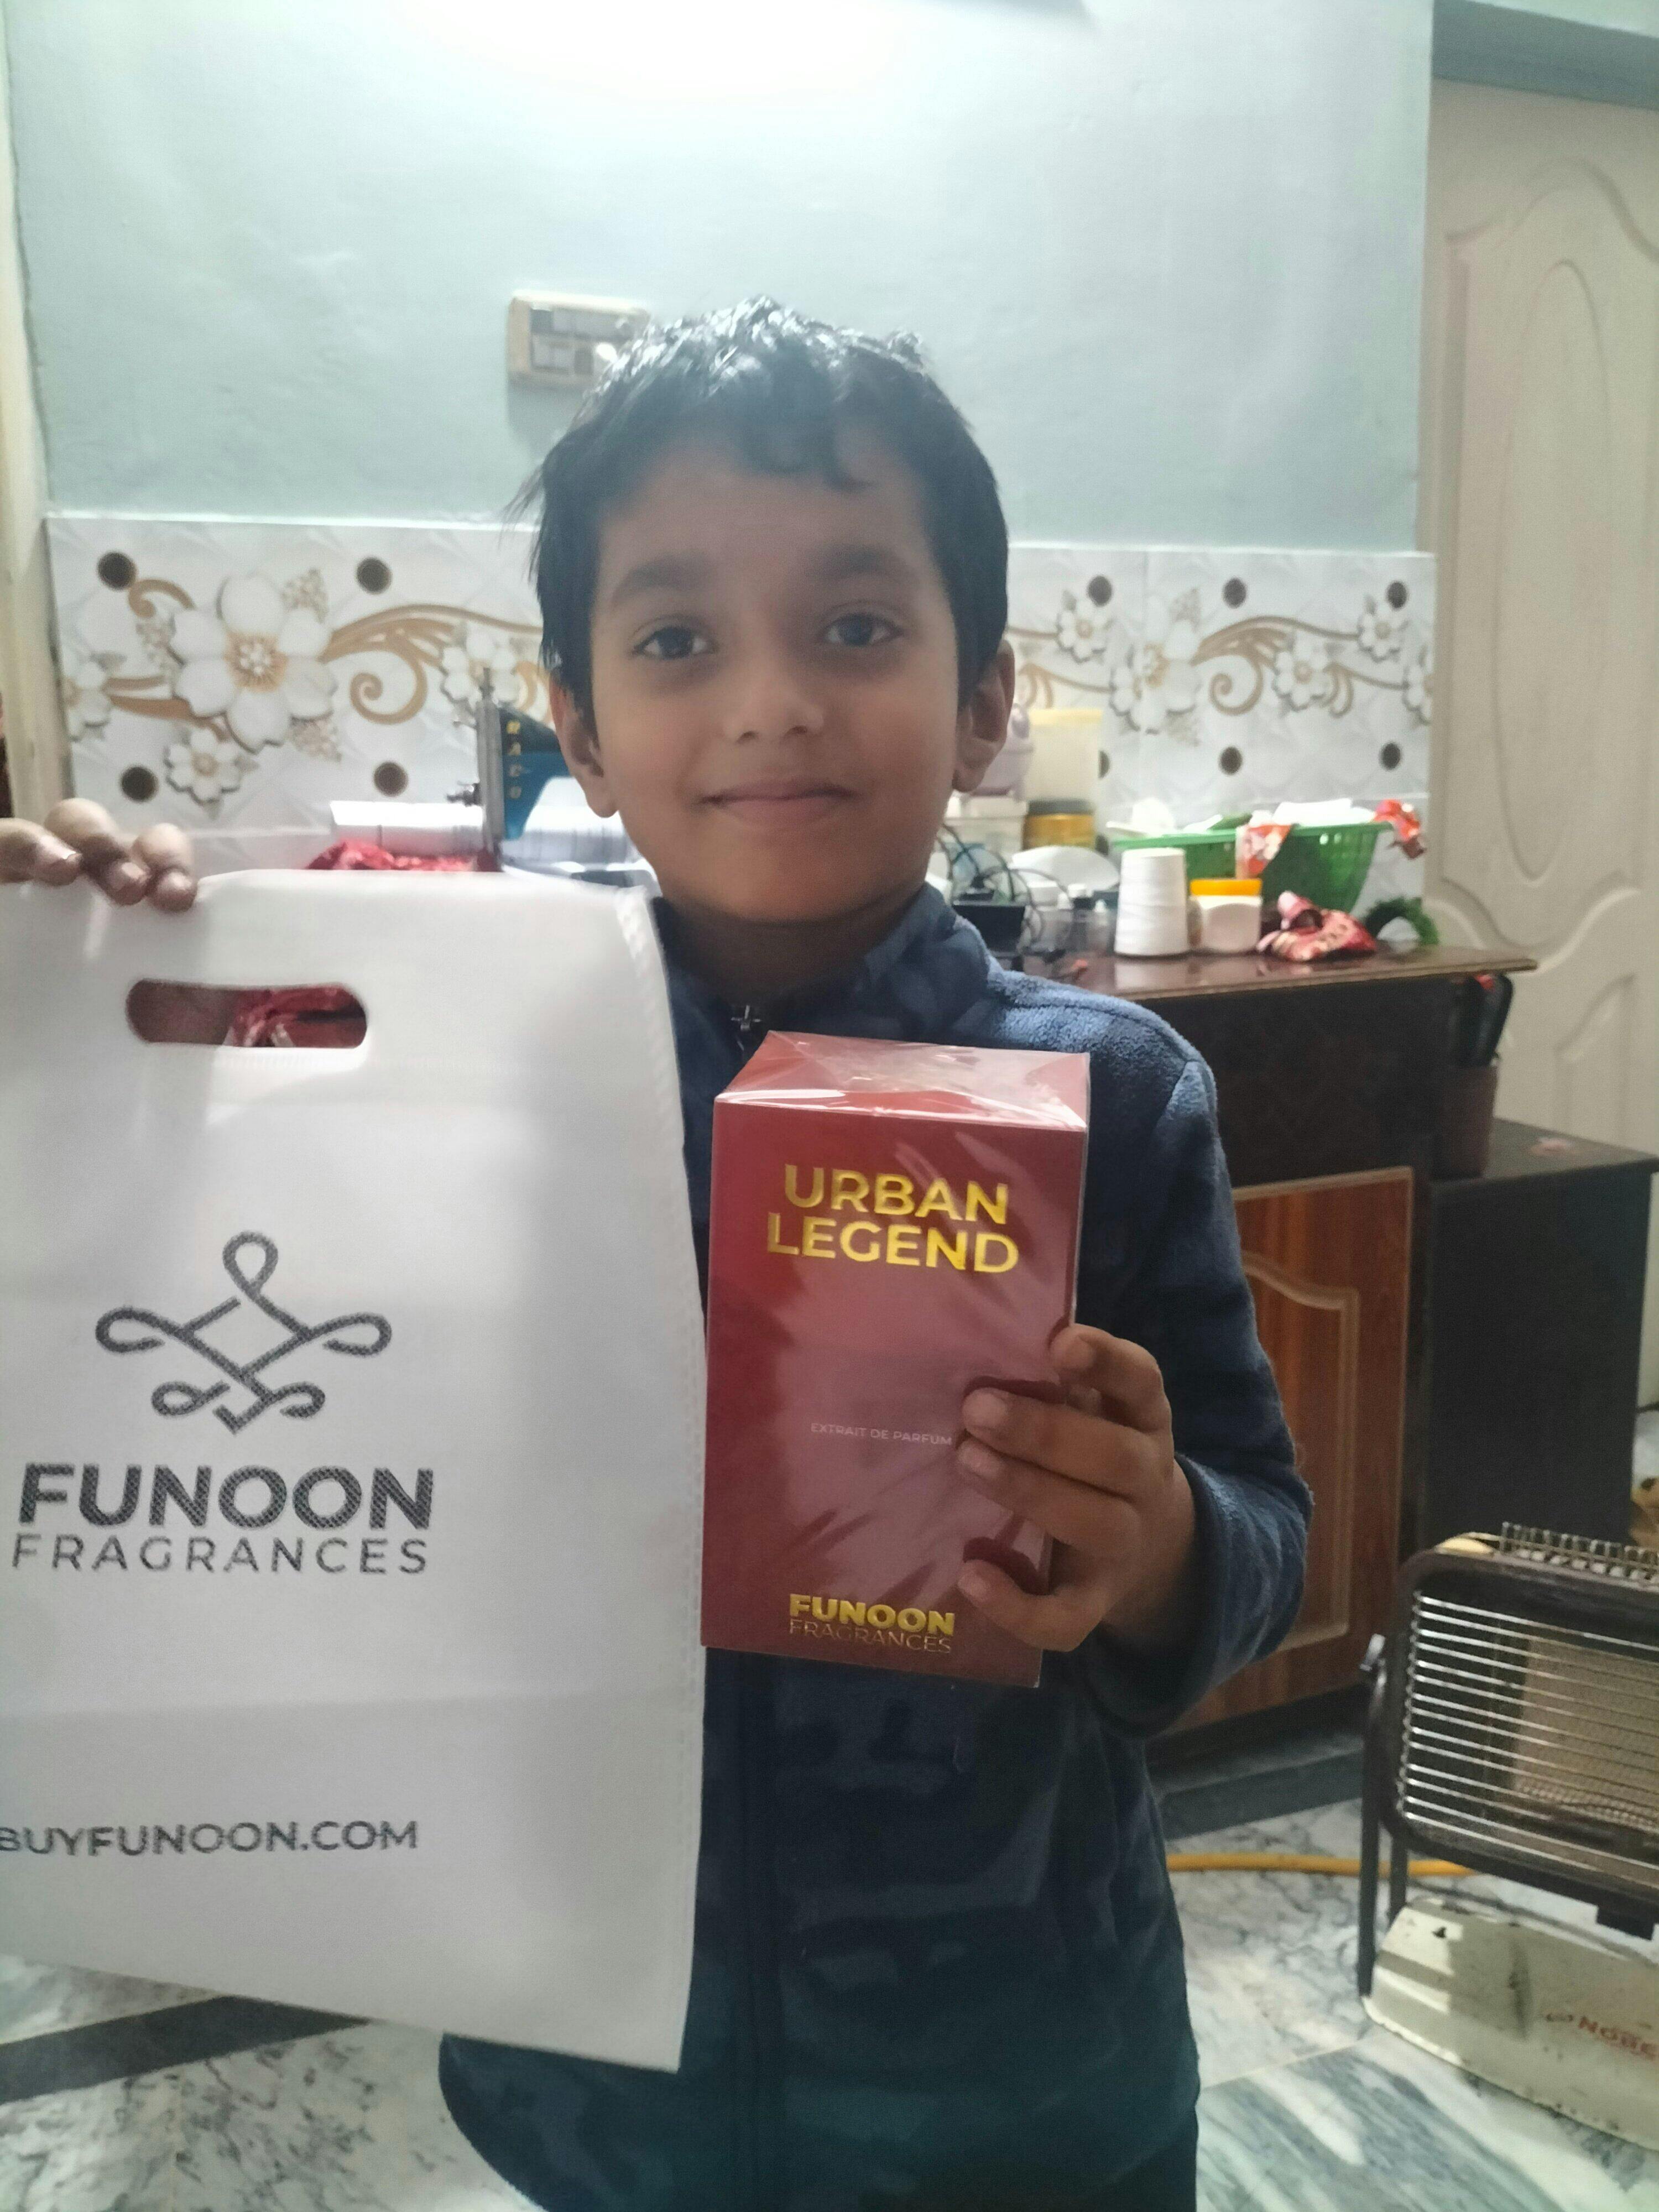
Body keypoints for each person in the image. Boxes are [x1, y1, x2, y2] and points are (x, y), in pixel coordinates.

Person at [0, 300, 1308, 2212]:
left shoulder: (1112, 1095)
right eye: (679, 639)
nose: (771, 700)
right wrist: (93, 1017)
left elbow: (1270, 1531)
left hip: (1019, 2082)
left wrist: (1162, 1544)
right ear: (585, 728)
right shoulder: (465, 1075)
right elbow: (200, 1330)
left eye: (856, 625)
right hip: (602, 2088)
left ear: (985, 703)